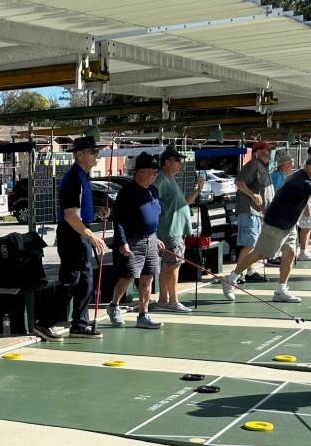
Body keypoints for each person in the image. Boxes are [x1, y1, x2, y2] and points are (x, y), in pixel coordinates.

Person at [220, 155, 311, 302]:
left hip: (289, 223)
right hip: (276, 223)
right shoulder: (302, 180)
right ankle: (230, 278)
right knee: (260, 253)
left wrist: (305, 205)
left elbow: (294, 191)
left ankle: (281, 290)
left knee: (290, 253)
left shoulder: (300, 176)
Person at [33, 135, 109, 341]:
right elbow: (70, 215)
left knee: (86, 281)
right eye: (93, 152)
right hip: (71, 233)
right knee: (71, 281)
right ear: (80, 154)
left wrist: (97, 210)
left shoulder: (83, 176)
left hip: (80, 232)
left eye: (96, 152)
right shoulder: (73, 178)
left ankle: (79, 325)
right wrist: (92, 236)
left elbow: (80, 209)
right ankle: (45, 323)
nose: (96, 155)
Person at [106, 152, 164, 330]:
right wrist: (122, 242)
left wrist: (155, 237)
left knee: (148, 277)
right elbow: (118, 220)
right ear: (140, 172)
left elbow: (154, 216)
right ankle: (114, 305)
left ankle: (143, 315)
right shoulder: (127, 192)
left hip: (150, 239)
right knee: (128, 277)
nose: (155, 175)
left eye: (156, 172)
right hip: (132, 240)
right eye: (152, 172)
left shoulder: (153, 190)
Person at [153, 147, 204, 313]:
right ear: (167, 162)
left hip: (174, 230)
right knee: (174, 265)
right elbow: (152, 196)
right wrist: (159, 210)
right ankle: (173, 301)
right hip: (170, 230)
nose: (180, 164)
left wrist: (198, 190)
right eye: (178, 161)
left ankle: (163, 300)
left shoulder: (170, 179)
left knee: (168, 266)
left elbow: (184, 202)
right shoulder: (162, 178)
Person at [233, 141, 275, 282]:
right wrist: (253, 195)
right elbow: (239, 182)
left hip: (257, 212)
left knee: (254, 243)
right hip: (249, 210)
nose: (269, 152)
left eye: (269, 150)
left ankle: (250, 272)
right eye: (266, 150)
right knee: (250, 243)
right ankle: (237, 274)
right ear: (257, 152)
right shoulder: (253, 165)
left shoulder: (263, 167)